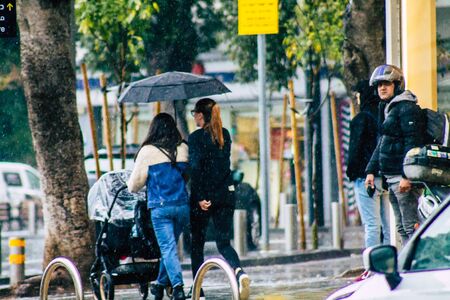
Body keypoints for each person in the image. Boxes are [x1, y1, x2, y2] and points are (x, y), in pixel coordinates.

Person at [188, 98, 250, 300]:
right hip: (225, 194)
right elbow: (219, 167)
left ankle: (200, 291)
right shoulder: (225, 135)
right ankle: (239, 272)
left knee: (197, 245)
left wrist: (199, 197)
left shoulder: (196, 138)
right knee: (224, 242)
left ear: (200, 115)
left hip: (204, 198)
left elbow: (196, 169)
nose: (193, 117)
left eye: (194, 113)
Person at [128, 113, 189, 300]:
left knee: (168, 248)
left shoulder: (147, 151)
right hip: (182, 206)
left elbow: (133, 185)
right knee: (169, 248)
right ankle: (160, 284)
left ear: (153, 129)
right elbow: (186, 175)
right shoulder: (183, 148)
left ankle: (177, 286)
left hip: (161, 209)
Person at [365, 64, 425, 245]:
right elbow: (383, 141)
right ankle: (408, 267)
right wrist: (371, 171)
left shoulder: (406, 108)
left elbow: (412, 143)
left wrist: (407, 176)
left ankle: (417, 268)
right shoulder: (389, 108)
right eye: (379, 85)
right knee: (401, 227)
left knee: (411, 226)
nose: (382, 88)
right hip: (391, 178)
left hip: (402, 178)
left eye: (387, 83)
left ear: (397, 85)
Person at [347, 80, 390, 249]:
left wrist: (352, 173)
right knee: (388, 226)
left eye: (358, 95)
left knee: (372, 225)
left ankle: (373, 267)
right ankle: (390, 263)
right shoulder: (384, 115)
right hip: (385, 177)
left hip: (366, 178)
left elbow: (355, 151)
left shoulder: (361, 119)